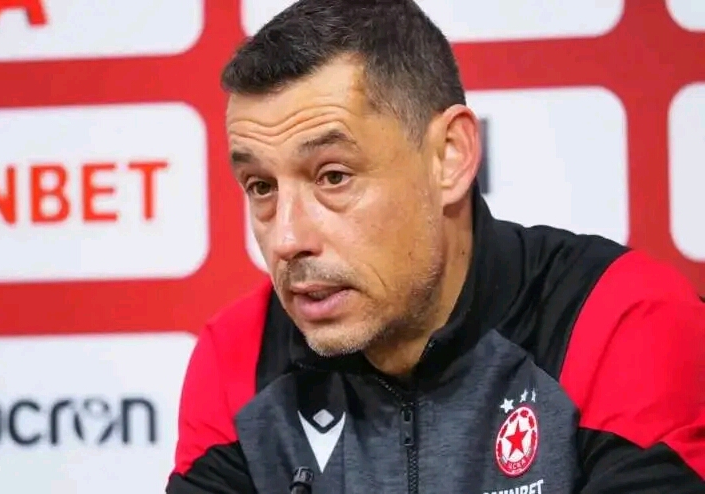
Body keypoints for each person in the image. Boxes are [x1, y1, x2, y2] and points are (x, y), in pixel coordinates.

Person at [166, 1, 705, 492]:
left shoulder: (619, 319)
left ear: (450, 156)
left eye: (333, 177)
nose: (287, 239)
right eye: (262, 187)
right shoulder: (237, 357)